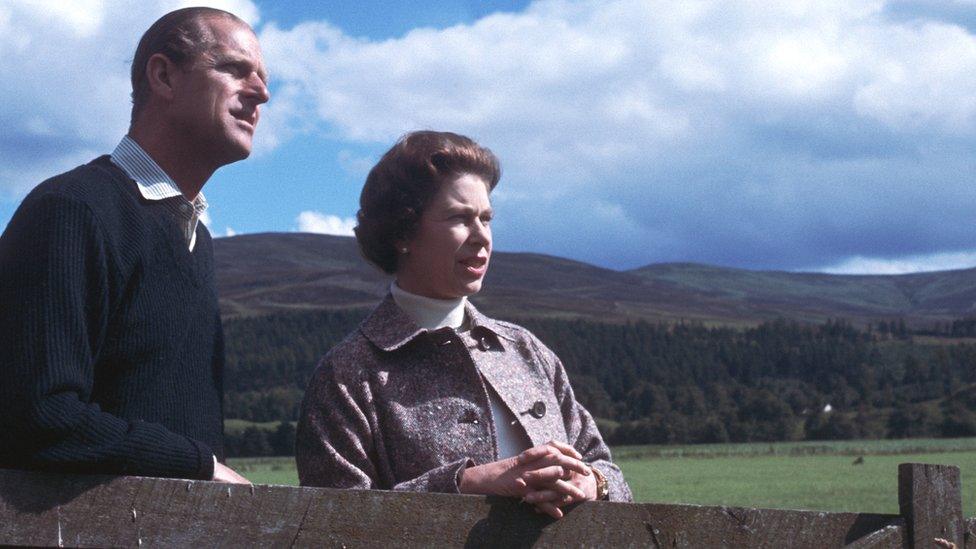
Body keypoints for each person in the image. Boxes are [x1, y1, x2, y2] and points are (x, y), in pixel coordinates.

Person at [296, 131, 632, 517]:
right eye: (460, 218)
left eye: (486, 218)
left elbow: (609, 473)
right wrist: (463, 484)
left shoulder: (526, 351)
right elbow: (333, 522)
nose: (482, 237)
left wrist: (591, 482)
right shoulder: (348, 375)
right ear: (403, 232)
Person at [0, 7, 269, 483]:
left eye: (262, 79)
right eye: (233, 68)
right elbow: (35, 416)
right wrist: (199, 466)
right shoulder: (71, 210)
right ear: (164, 76)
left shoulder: (195, 238)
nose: (261, 93)